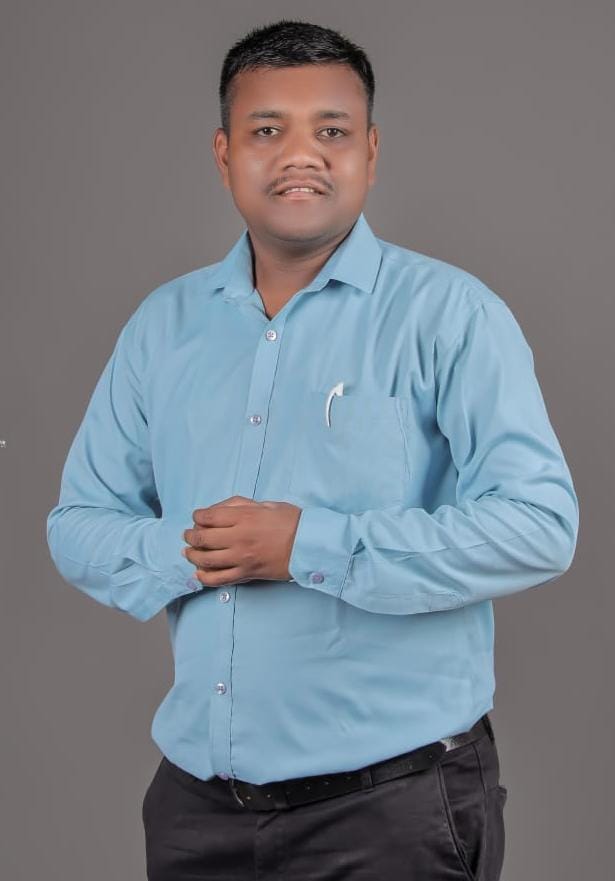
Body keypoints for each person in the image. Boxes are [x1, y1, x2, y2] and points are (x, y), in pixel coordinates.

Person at [46, 18, 579, 881]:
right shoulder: (162, 327)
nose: (300, 155)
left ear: (370, 150)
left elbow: (538, 525)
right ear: (224, 153)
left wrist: (307, 545)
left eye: (331, 130)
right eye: (267, 130)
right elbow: (78, 523)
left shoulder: (450, 315)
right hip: (196, 815)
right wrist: (194, 550)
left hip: (393, 812)